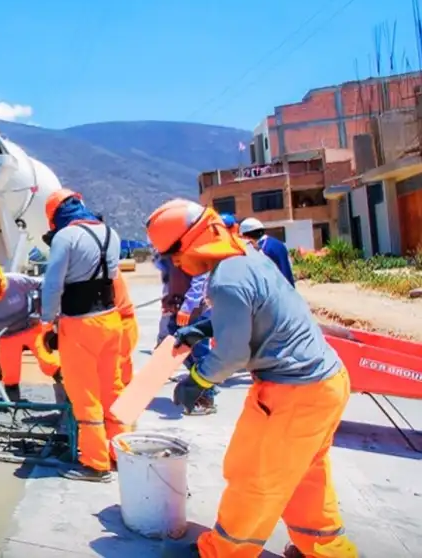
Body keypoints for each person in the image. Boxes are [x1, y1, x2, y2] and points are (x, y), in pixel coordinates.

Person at [146, 199, 357, 558]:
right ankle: (325, 550)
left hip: (293, 394)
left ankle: (222, 552)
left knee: (254, 476)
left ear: (189, 243)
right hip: (327, 383)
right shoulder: (247, 255)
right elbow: (256, 309)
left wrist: (196, 380)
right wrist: (203, 328)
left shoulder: (226, 280)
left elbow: (231, 356)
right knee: (307, 475)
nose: (176, 265)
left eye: (172, 256)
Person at [40, 188, 126, 483]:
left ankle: (95, 464)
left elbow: (52, 285)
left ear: (54, 216)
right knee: (111, 389)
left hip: (80, 326)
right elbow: (111, 276)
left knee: (84, 394)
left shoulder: (65, 237)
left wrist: (48, 323)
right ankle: (121, 453)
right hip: (110, 320)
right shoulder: (110, 233)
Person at [0, 261, 60, 403]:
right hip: (7, 335)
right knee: (9, 370)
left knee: (47, 361)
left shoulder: (16, 280)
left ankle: (67, 394)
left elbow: (43, 284)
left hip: (30, 327)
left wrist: (41, 309)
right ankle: (13, 402)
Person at [239, 217, 296, 286]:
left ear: (247, 236)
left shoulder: (261, 248)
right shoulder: (279, 243)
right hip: (288, 286)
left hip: (275, 288)